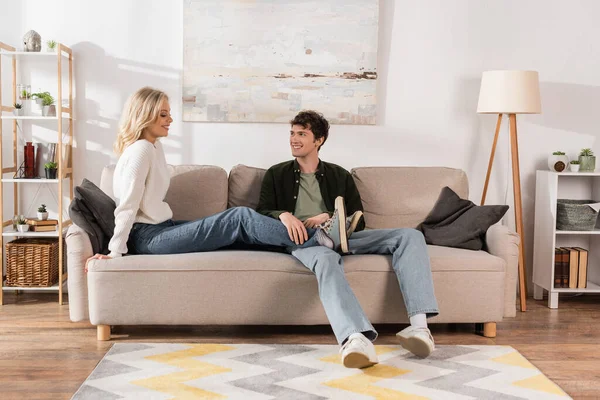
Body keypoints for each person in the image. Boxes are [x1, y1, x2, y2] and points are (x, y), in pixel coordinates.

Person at [257, 110, 439, 368]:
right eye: (292, 133)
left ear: (318, 140)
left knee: (409, 236)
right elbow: (260, 213)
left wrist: (329, 218)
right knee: (326, 259)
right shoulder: (276, 174)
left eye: (302, 134)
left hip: (342, 236)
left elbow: (359, 219)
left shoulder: (339, 175)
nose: (294, 139)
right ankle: (355, 338)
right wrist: (284, 214)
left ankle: (420, 328)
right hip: (306, 241)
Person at [86, 87, 345, 267]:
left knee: (238, 232)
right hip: (147, 237)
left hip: (162, 228)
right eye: (163, 115)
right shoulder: (141, 150)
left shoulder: (153, 146)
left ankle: (308, 243)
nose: (170, 119)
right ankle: (320, 239)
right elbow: (127, 206)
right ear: (144, 116)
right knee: (239, 217)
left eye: (169, 113)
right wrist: (114, 252)